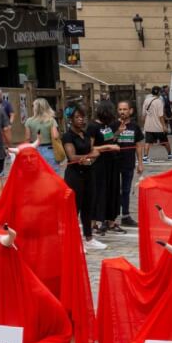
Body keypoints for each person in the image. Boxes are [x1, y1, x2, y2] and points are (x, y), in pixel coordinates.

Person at [61, 104, 110, 251]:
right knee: (74, 209)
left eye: (83, 117)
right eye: (77, 117)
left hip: (89, 174)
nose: (81, 120)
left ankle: (88, 238)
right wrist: (90, 155)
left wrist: (91, 158)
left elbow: (91, 153)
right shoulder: (68, 136)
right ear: (71, 119)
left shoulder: (86, 134)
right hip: (74, 176)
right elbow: (72, 156)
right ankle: (73, 240)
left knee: (88, 207)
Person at [90, 100, 123, 236]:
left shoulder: (107, 126)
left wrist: (116, 135)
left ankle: (110, 221)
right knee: (99, 193)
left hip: (112, 162)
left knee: (112, 192)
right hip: (99, 164)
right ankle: (94, 224)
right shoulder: (93, 127)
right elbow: (90, 148)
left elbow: (109, 140)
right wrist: (108, 147)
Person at [113, 100, 144, 228]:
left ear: (130, 111)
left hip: (128, 163)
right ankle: (112, 217)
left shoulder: (134, 127)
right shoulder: (113, 125)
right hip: (114, 163)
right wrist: (118, 132)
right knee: (114, 190)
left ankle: (125, 216)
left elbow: (138, 145)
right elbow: (110, 140)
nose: (122, 112)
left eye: (125, 109)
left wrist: (140, 163)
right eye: (120, 109)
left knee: (126, 190)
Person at [24, 98, 62, 171]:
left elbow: (27, 138)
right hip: (50, 150)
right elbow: (55, 136)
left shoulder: (29, 121)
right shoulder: (51, 120)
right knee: (53, 176)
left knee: (38, 176)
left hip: (35, 150)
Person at [142, 86, 172, 162]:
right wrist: (164, 126)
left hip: (148, 127)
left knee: (147, 142)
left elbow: (143, 115)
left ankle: (145, 157)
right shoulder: (159, 101)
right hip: (158, 127)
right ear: (159, 93)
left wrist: (144, 125)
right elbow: (160, 116)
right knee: (165, 141)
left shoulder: (146, 100)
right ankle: (170, 155)